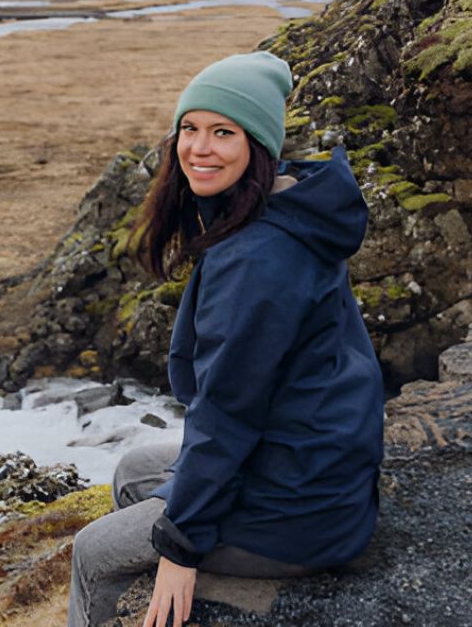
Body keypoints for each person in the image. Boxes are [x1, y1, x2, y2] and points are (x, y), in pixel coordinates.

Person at [67, 51, 384, 627]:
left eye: (223, 132)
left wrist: (181, 546)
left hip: (298, 510)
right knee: (135, 469)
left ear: (256, 146)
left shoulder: (257, 257)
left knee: (93, 551)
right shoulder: (293, 209)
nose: (199, 148)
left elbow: (228, 413)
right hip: (314, 465)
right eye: (189, 128)